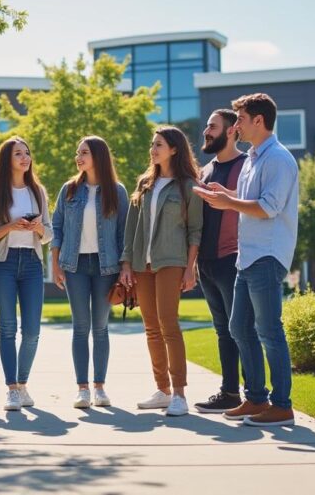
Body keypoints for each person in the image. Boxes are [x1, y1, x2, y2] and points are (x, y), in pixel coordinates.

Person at [193, 93, 299, 427]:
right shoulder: (254, 158)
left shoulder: (279, 159)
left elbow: (268, 207)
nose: (236, 125)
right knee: (239, 326)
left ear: (258, 120)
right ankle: (255, 398)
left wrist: (229, 205)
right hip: (248, 257)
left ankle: (281, 405)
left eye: (240, 119)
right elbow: (250, 199)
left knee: (269, 330)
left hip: (267, 254)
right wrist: (227, 196)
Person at [119, 126, 203, 417]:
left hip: (172, 261)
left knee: (169, 324)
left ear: (174, 149)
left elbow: (195, 232)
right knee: (151, 328)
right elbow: (131, 228)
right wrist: (127, 263)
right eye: (152, 144)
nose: (153, 149)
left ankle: (179, 393)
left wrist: (190, 269)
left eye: (159, 145)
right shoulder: (144, 184)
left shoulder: (189, 186)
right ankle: (162, 390)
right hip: (144, 264)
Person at [51, 136, 129, 409]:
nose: (78, 157)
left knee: (101, 327)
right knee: (80, 326)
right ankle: (82, 388)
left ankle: (100, 387)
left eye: (84, 152)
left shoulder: (117, 191)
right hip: (75, 266)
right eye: (77, 153)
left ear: (98, 156)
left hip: (106, 266)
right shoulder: (69, 190)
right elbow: (57, 226)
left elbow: (124, 233)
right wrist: (55, 262)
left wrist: (125, 267)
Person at [0, 137, 53, 411]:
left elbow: (49, 234)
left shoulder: (38, 191)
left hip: (32, 264)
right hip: (6, 264)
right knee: (8, 328)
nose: (25, 157)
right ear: (6, 160)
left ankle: (23, 384)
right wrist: (10, 226)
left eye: (27, 153)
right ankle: (11, 389)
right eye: (18, 154)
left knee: (32, 331)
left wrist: (36, 229)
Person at [194, 109, 248, 414]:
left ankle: (254, 395)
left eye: (212, 127)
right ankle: (229, 393)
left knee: (241, 329)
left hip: (233, 260)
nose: (206, 131)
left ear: (230, 131)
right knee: (222, 330)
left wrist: (230, 194)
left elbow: (258, 201)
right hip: (207, 263)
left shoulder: (246, 166)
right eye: (206, 126)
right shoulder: (204, 171)